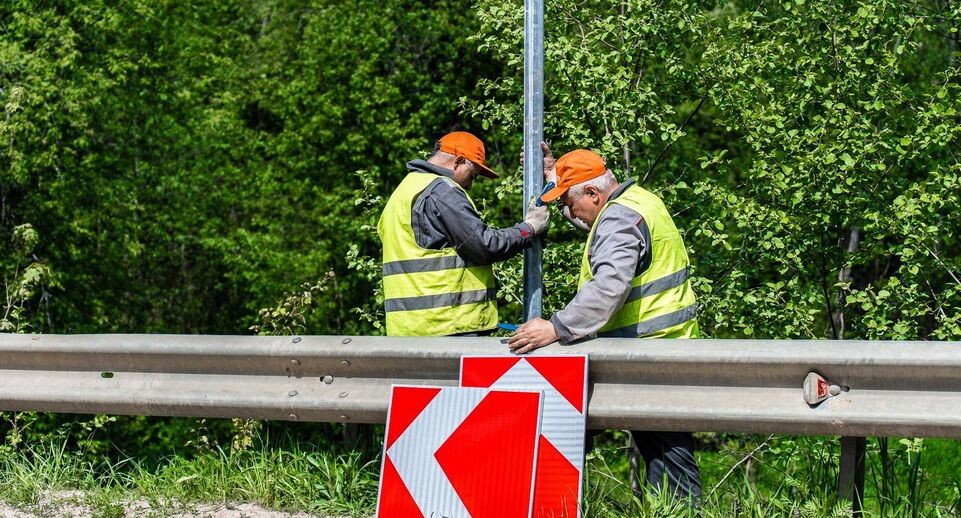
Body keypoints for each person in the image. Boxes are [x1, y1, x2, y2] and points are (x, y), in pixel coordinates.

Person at [507, 144, 701, 501]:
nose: (568, 212)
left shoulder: (617, 218)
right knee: (665, 455)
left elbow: (609, 286)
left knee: (670, 460)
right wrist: (554, 173)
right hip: (664, 346)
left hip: (651, 353)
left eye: (568, 202)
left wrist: (556, 327)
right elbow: (589, 216)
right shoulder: (638, 200)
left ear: (594, 193)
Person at [377, 131, 549, 336]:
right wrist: (529, 227)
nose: (470, 184)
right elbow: (485, 246)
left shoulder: (403, 191)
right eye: (472, 175)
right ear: (458, 162)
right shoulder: (441, 190)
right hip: (449, 325)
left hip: (409, 329)